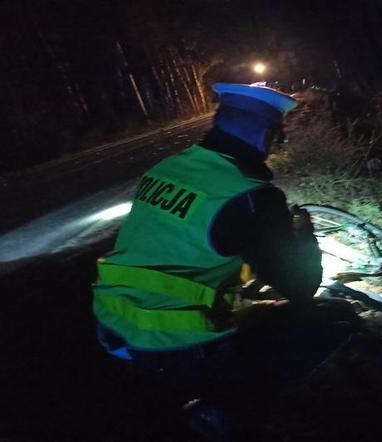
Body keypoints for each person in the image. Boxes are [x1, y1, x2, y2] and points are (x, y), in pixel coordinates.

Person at [92, 83, 356, 440]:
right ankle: (228, 407)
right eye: (278, 136)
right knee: (336, 318)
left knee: (256, 307)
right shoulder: (249, 196)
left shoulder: (169, 167)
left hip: (115, 325)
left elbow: (190, 241)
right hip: (176, 346)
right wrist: (303, 236)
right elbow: (302, 285)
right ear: (264, 135)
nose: (278, 145)